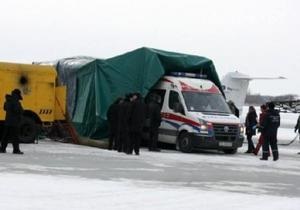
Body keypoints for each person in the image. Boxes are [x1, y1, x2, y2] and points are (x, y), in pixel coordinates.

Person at [0, 89, 24, 154]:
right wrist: (21, 110)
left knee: (5, 136)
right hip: (14, 122)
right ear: (17, 94)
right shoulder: (16, 102)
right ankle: (16, 150)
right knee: (15, 137)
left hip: (7, 121)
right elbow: (16, 110)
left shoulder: (8, 100)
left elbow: (5, 108)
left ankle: (2, 149)